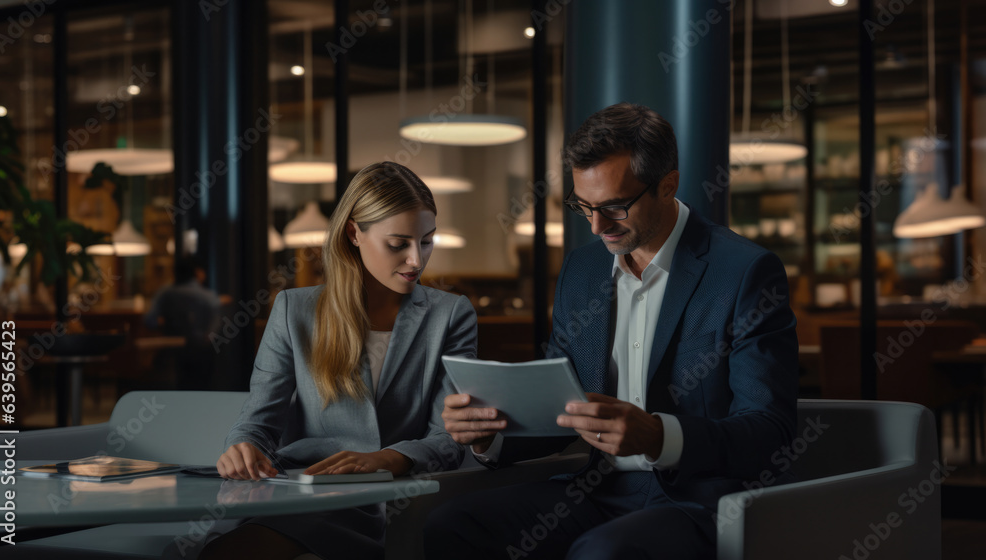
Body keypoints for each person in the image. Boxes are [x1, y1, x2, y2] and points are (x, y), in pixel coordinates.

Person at [425, 103, 798, 559]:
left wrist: (660, 436)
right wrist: (490, 435)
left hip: (696, 500)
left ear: (668, 185)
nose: (597, 227)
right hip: (596, 489)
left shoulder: (743, 271)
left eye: (614, 207)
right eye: (584, 206)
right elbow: (565, 410)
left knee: (602, 552)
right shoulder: (582, 271)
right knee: (452, 525)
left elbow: (771, 432)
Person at [200, 161, 476, 560]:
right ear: (354, 233)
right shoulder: (295, 309)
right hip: (306, 489)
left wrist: (386, 459)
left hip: (392, 497)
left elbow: (449, 437)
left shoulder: (451, 315)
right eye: (398, 244)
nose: (416, 260)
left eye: (427, 241)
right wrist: (243, 445)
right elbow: (259, 418)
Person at [144, 256, 221, 390]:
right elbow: (214, 327)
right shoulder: (208, 296)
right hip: (200, 352)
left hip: (171, 353)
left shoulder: (165, 293)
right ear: (197, 273)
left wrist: (163, 324)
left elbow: (149, 320)